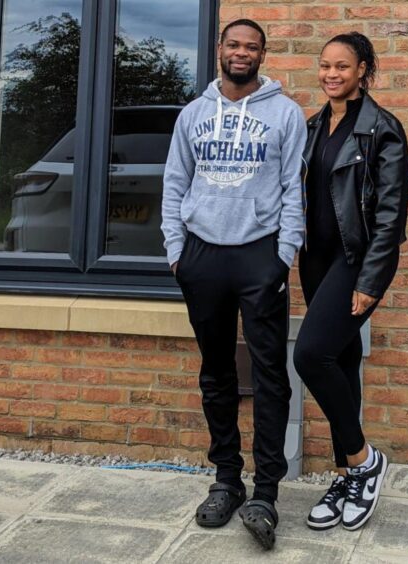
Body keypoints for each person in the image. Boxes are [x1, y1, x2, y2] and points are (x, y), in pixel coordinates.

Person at [161, 18, 306, 550]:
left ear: (263, 55)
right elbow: (175, 180)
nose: (242, 53)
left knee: (270, 372)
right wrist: (177, 251)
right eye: (234, 44)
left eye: (252, 47)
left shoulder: (285, 114)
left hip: (259, 255)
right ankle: (226, 479)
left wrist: (283, 254)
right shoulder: (193, 114)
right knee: (216, 371)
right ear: (220, 50)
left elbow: (294, 186)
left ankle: (265, 492)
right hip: (201, 255)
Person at [293, 32, 408, 531]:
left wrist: (372, 279)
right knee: (341, 362)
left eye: (342, 66)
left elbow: (390, 217)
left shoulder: (382, 130)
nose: (331, 75)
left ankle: (365, 461)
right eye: (325, 66)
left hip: (353, 262)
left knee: (309, 354)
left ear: (364, 69)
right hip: (315, 260)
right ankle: (347, 476)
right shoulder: (314, 125)